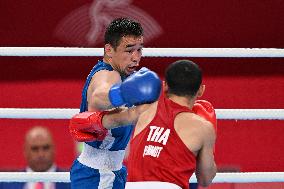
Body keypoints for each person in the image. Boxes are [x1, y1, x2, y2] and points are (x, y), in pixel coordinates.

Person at [70, 60, 217, 189]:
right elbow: (205, 179)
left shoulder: (144, 110)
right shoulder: (203, 127)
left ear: (164, 87)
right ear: (201, 90)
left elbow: (102, 120)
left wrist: (86, 123)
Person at [68, 17, 161, 189]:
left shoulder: (123, 75)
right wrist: (125, 93)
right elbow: (99, 96)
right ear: (109, 50)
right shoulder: (108, 75)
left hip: (108, 172)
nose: (136, 58)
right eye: (129, 50)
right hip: (98, 175)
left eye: (139, 50)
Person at [0, 126, 71, 189]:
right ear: (25, 151)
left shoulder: (72, 182)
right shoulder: (5, 183)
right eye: (35, 148)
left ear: (54, 149)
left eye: (46, 148)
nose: (41, 154)